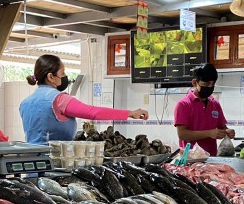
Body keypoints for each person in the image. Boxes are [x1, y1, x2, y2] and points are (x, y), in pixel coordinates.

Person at [20, 54, 148, 144]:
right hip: (54, 164)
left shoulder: (25, 103)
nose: (65, 77)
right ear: (51, 77)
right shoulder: (59, 99)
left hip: (32, 165)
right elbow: (93, 112)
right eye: (62, 73)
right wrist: (130, 113)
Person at [174, 64, 235, 156]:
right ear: (195, 83)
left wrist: (228, 131)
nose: (209, 87)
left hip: (212, 158)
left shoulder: (215, 104)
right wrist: (209, 133)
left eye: (212, 84)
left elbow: (222, 127)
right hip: (190, 158)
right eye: (206, 84)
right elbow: (182, 134)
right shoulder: (184, 104)